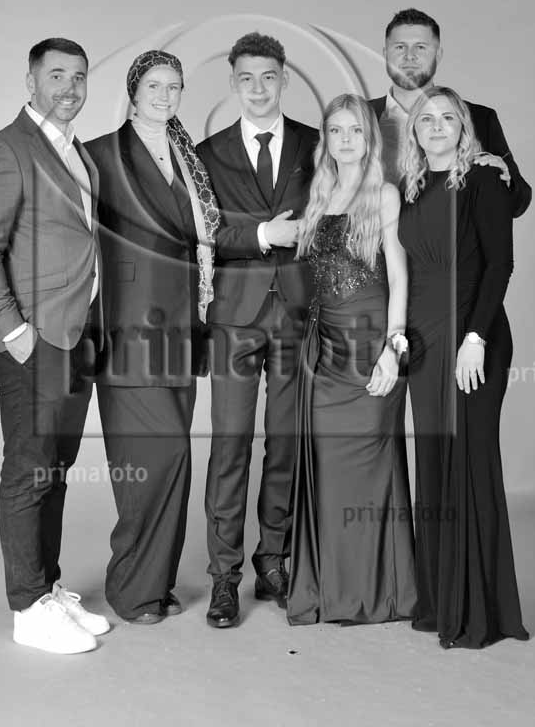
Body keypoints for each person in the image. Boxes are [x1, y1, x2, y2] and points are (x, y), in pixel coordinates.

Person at [0, 37, 110, 654]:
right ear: (31, 82)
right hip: (33, 340)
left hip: (78, 336)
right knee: (28, 470)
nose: (69, 88)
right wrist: (14, 330)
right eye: (56, 76)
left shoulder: (78, 153)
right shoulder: (5, 149)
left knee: (56, 468)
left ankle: (47, 588)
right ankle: (27, 609)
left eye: (78, 77)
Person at [86, 50, 220, 624]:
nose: (165, 95)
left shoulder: (192, 156)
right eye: (155, 85)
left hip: (184, 329)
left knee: (175, 460)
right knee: (149, 458)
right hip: (128, 330)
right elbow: (64, 234)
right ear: (134, 90)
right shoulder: (97, 155)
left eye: (175, 86)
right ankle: (132, 589)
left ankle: (155, 581)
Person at [398, 85, 529, 648]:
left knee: (470, 463)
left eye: (448, 118)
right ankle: (439, 600)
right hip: (424, 344)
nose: (436, 125)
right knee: (433, 464)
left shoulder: (484, 180)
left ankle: (480, 610)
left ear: (464, 129)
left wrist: (475, 337)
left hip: (474, 338)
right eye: (426, 118)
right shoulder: (409, 187)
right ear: (413, 129)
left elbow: (501, 265)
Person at [196, 32, 319, 627]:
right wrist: (265, 235)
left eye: (268, 76)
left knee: (286, 442)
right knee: (230, 445)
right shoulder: (207, 152)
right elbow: (202, 232)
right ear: (233, 83)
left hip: (297, 312)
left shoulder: (316, 145)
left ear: (284, 78)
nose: (258, 88)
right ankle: (224, 576)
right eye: (246, 78)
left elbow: (341, 210)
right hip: (234, 317)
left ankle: (275, 559)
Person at [287, 94, 416, 625]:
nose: (345, 139)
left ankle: (378, 591)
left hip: (370, 347)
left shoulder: (384, 193)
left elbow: (399, 276)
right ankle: (333, 589)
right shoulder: (318, 195)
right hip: (324, 350)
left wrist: (393, 349)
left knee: (369, 469)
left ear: (370, 138)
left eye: (355, 130)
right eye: (335, 130)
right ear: (326, 138)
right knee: (331, 472)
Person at [369, 8, 532, 217]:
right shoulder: (355, 118)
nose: (409, 56)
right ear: (385, 54)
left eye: (420, 47)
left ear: (438, 55)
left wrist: (504, 179)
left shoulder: (479, 119)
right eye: (400, 47)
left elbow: (518, 204)